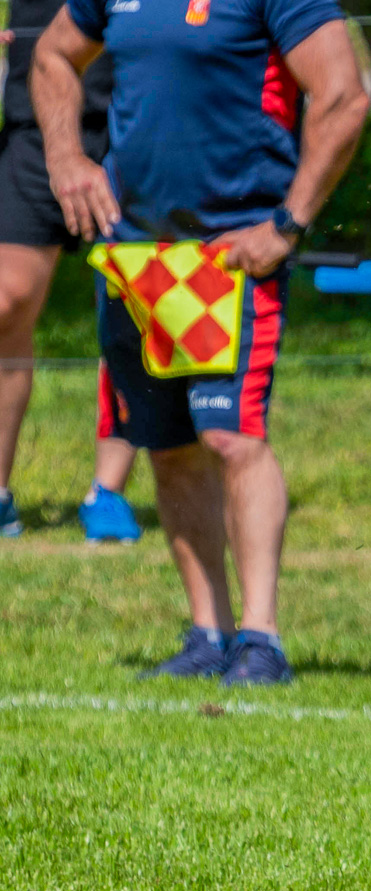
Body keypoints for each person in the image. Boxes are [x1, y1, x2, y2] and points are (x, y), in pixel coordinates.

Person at [32, 0, 369, 683]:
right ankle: (209, 634)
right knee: (168, 445)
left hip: (233, 256)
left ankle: (261, 640)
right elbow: (51, 55)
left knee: (232, 437)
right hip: (136, 256)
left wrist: (286, 224)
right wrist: (66, 157)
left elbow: (343, 95)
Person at [0, 18, 139, 542]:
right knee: (6, 301)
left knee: (136, 307)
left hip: (138, 116)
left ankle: (109, 490)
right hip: (34, 119)